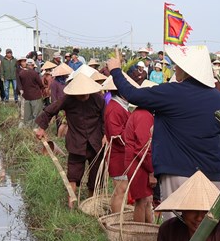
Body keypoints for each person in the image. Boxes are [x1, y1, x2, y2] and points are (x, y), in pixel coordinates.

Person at [106, 45, 220, 201]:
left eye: (178, 65)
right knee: (205, 224)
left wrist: (116, 71)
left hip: (176, 172)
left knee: (176, 223)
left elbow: (132, 94)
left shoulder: (170, 92)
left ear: (186, 70)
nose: (175, 68)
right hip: (210, 173)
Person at [33, 73, 106, 208]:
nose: (83, 96)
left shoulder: (98, 99)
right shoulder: (68, 100)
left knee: (96, 177)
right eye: (80, 94)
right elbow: (49, 111)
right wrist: (42, 128)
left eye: (86, 93)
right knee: (73, 176)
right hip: (76, 142)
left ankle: (92, 205)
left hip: (96, 143)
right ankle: (71, 205)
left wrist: (105, 135)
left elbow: (105, 119)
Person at [123, 80, 156, 223]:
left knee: (146, 200)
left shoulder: (141, 113)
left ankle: (150, 232)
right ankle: (140, 233)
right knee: (141, 201)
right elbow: (143, 148)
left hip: (136, 161)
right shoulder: (144, 115)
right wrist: (151, 171)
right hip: (139, 163)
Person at [102, 74, 132, 214]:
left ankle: (117, 217)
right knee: (120, 189)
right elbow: (116, 135)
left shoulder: (120, 106)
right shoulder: (114, 108)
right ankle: (115, 219)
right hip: (118, 154)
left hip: (123, 154)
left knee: (122, 189)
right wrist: (133, 133)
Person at [18, 57, 46, 126]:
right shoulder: (35, 73)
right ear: (32, 65)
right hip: (35, 96)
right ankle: (34, 129)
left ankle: (27, 129)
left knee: (27, 115)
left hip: (26, 96)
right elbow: (40, 84)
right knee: (36, 114)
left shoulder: (21, 73)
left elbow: (20, 84)